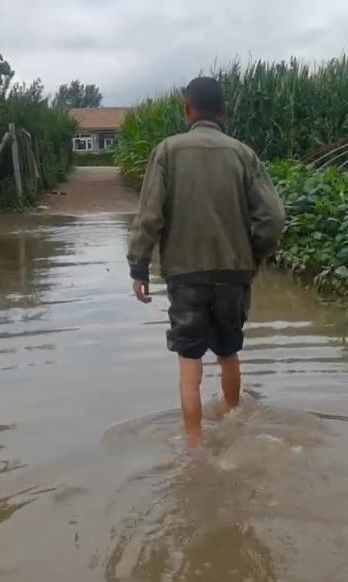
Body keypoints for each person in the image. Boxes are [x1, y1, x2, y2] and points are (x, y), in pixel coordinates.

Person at [127, 76, 286, 446]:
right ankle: (234, 425)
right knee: (229, 352)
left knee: (189, 360)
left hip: (185, 274)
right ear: (224, 111)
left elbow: (149, 215)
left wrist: (139, 266)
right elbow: (273, 218)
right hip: (234, 273)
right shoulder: (243, 154)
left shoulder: (168, 151)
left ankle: (195, 447)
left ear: (187, 109)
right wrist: (254, 254)